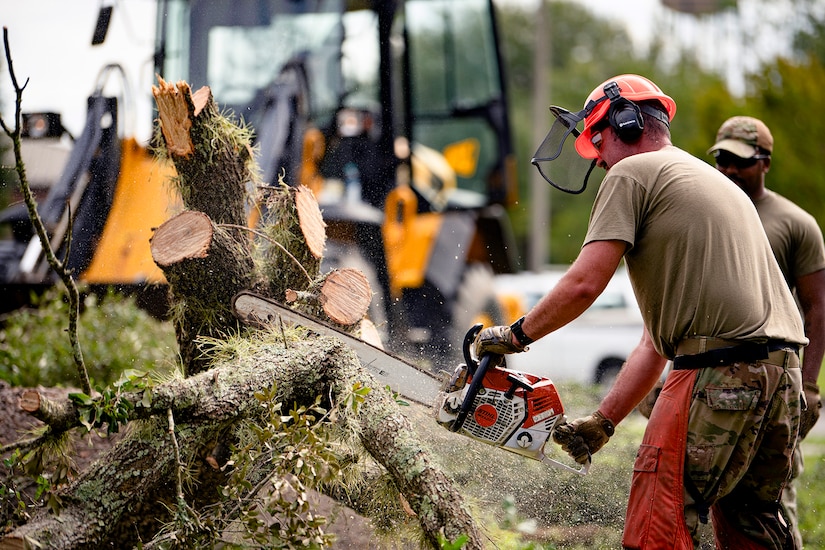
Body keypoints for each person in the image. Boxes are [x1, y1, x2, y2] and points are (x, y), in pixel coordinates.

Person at [474, 74, 807, 549]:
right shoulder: (706, 181)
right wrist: (604, 421)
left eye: (599, 143)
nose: (602, 161)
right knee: (751, 525)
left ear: (624, 125)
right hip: (781, 376)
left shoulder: (633, 173)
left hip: (720, 370)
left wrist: (515, 336)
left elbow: (585, 283)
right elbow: (656, 341)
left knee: (659, 519)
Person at [708, 116, 825, 547]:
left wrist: (808, 387)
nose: (730, 171)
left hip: (778, 383)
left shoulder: (795, 224)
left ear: (765, 163)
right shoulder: (708, 213)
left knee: (771, 503)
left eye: (740, 161)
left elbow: (817, 309)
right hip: (714, 381)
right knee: (709, 500)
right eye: (722, 160)